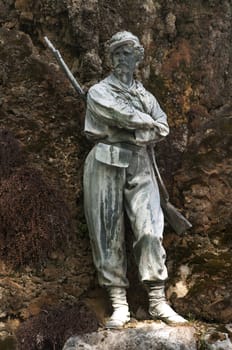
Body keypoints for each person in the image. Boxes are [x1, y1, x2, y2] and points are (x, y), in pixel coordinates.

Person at [83, 31, 187, 328]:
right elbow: (119, 113)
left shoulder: (146, 96)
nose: (121, 58)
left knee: (150, 229)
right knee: (107, 233)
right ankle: (118, 303)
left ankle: (157, 300)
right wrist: (142, 125)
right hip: (105, 159)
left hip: (140, 161)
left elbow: (163, 127)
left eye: (127, 52)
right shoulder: (98, 91)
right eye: (116, 53)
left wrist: (137, 129)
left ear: (138, 57)